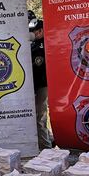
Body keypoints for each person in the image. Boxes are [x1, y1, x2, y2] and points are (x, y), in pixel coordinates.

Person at [29, 14, 52, 150]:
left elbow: (38, 64)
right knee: (37, 117)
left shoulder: (45, 44)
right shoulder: (34, 44)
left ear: (42, 30)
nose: (33, 34)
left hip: (42, 85)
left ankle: (46, 148)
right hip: (34, 85)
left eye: (35, 31)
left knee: (40, 117)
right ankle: (47, 141)